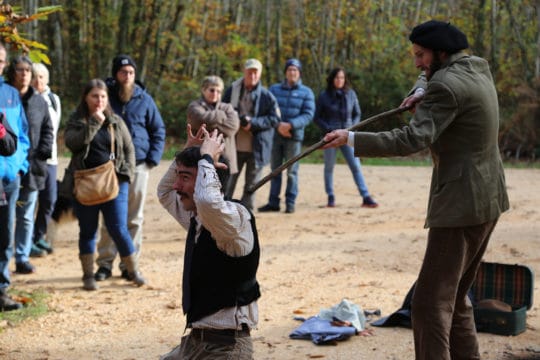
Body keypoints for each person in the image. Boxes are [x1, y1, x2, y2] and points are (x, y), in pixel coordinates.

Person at [322, 20, 509, 360]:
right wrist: (421, 88)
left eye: (421, 56)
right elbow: (431, 78)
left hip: (460, 207)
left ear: (440, 52)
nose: (417, 64)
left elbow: (411, 138)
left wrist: (350, 138)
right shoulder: (477, 68)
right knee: (454, 300)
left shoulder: (447, 87)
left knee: (427, 303)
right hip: (488, 199)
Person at [158, 126, 261, 360]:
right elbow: (165, 192)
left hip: (227, 348)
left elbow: (208, 200)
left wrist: (206, 158)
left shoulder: (233, 219)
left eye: (185, 177)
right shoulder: (197, 217)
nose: (177, 185)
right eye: (179, 176)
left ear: (210, 175)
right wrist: (190, 150)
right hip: (195, 342)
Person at [64, 78, 145, 291]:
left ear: (107, 98)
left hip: (115, 184)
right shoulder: (77, 120)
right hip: (85, 183)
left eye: (103, 96)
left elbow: (129, 149)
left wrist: (125, 176)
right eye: (94, 96)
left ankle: (133, 270)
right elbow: (73, 144)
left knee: (118, 228)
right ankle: (88, 275)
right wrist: (93, 123)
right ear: (85, 97)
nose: (99, 100)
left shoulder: (116, 120)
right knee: (88, 231)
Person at [95, 55, 165, 281]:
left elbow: (158, 130)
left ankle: (129, 264)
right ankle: (104, 264)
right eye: (123, 72)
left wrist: (152, 159)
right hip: (109, 168)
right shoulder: (104, 98)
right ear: (116, 74)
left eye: (131, 73)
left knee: (134, 218)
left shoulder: (145, 99)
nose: (127, 77)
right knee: (109, 218)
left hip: (138, 167)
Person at [7, 56, 53, 274]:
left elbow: (48, 129)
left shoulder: (39, 101)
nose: (25, 74)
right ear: (12, 72)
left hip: (33, 167)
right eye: (20, 69)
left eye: (28, 70)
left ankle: (22, 257)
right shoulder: (5, 96)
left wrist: (43, 152)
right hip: (7, 167)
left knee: (25, 216)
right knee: (5, 217)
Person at [313, 67, 378, 208]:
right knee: (329, 167)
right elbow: (317, 117)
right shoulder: (324, 96)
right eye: (337, 77)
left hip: (349, 135)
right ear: (332, 79)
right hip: (330, 136)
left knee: (356, 166)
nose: (339, 80)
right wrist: (329, 129)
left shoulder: (351, 94)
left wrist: (351, 128)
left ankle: (366, 196)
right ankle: (330, 197)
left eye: (342, 77)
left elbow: (357, 113)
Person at [223, 58, 281, 211]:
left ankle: (246, 216)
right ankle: (222, 213)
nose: (252, 76)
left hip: (258, 148)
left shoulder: (267, 96)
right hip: (234, 146)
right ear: (244, 72)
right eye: (250, 72)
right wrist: (236, 120)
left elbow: (275, 118)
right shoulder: (232, 90)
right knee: (227, 182)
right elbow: (221, 110)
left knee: (251, 186)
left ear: (260, 74)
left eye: (255, 73)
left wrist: (253, 123)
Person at [258, 58, 315, 214]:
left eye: (295, 70)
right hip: (276, 136)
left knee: (292, 172)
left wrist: (290, 125)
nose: (292, 72)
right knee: (275, 170)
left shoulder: (306, 92)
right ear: (285, 72)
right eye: (289, 69)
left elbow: (308, 115)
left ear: (299, 73)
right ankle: (273, 202)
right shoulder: (274, 89)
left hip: (294, 137)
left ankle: (290, 203)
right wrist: (278, 126)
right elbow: (267, 109)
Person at [0, 43, 31, 311]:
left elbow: (22, 135)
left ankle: (1, 290)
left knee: (4, 236)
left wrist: (18, 167)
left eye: (0, 61)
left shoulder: (10, 94)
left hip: (9, 180)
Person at [30, 62, 62, 257]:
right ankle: (27, 241)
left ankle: (38, 235)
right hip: (33, 159)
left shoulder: (54, 99)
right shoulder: (26, 99)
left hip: (51, 158)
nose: (37, 80)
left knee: (49, 200)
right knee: (30, 201)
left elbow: (55, 128)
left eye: (41, 77)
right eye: (34, 76)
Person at [187, 75, 239, 176]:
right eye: (212, 90)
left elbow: (233, 127)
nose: (215, 94)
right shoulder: (194, 106)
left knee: (224, 192)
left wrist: (210, 125)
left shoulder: (228, 107)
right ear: (203, 90)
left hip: (225, 160)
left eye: (218, 91)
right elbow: (199, 121)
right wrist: (220, 115)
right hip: (199, 159)